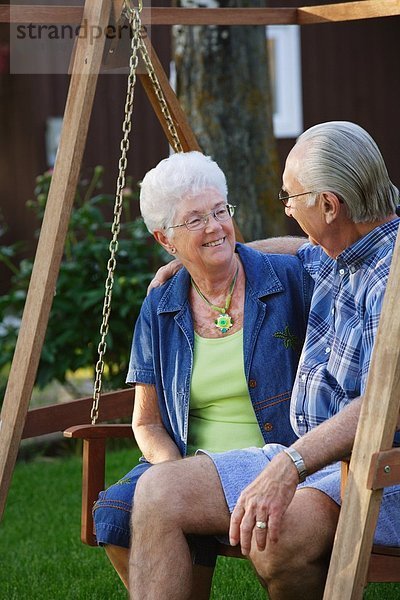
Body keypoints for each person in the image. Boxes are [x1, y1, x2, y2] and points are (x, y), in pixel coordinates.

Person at [128, 121, 400, 600]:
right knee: (158, 491)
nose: (288, 209)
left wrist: (289, 466)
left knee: (276, 539)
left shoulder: (389, 281)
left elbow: (380, 407)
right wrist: (204, 256)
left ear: (330, 206)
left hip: (374, 470)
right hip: (315, 460)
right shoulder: (340, 253)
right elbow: (295, 249)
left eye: (292, 197)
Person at [92, 151, 312, 593]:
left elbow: (324, 249)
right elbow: (147, 421)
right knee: (115, 511)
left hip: (275, 455)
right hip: (190, 462)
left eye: (219, 211)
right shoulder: (161, 304)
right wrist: (171, 474)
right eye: (195, 220)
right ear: (165, 239)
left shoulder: (288, 280)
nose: (214, 227)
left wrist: (250, 249)